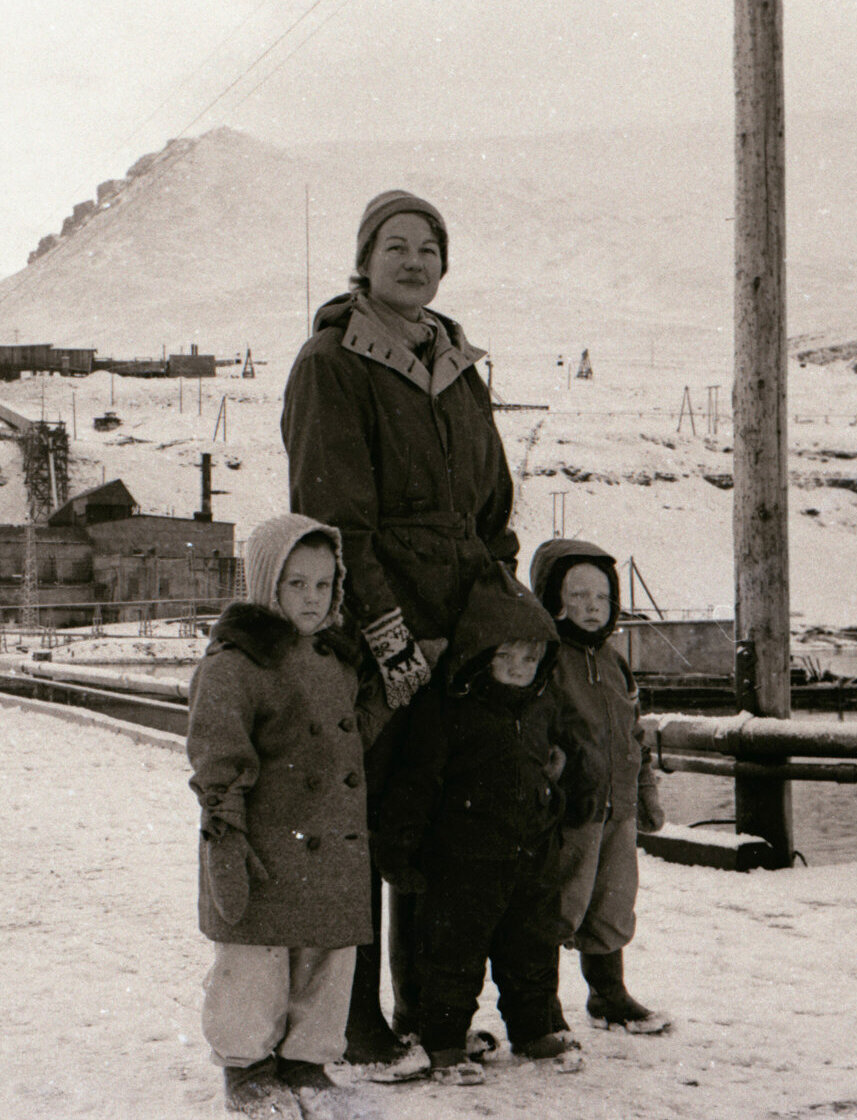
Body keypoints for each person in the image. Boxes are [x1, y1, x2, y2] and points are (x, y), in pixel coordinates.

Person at [281, 189, 519, 1070]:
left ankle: (432, 1013)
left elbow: (492, 512)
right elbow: (334, 516)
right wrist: (388, 637)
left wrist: (493, 617)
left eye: (428, 247)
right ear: (363, 259)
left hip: (462, 632)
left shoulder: (459, 368)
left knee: (442, 822)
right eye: (394, 246)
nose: (413, 261)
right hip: (382, 633)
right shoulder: (329, 364)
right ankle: (354, 1021)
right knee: (363, 826)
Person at [373, 569, 596, 1085]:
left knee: (531, 950)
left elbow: (557, 762)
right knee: (452, 959)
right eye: (506, 656)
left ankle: (535, 1026)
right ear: (479, 653)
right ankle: (445, 1042)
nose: (520, 668)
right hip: (462, 865)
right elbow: (418, 781)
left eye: (531, 658)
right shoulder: (450, 709)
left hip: (529, 857)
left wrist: (561, 800)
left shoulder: (540, 705)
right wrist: (399, 849)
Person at [186, 513, 374, 1117]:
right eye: (297, 584)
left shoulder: (338, 657)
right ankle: (248, 1069)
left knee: (325, 955)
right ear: (268, 583)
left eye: (323, 585)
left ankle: (306, 1060)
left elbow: (352, 738)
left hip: (330, 836)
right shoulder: (235, 664)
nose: (312, 599)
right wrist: (225, 837)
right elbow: (218, 759)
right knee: (255, 963)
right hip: (264, 841)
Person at [529, 538, 673, 1035]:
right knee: (558, 904)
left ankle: (607, 993)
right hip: (571, 811)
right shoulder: (546, 659)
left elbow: (635, 733)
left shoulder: (614, 662)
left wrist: (645, 793)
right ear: (552, 598)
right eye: (578, 596)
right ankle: (540, 1004)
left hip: (619, 808)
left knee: (613, 899)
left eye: (601, 598)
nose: (591, 608)